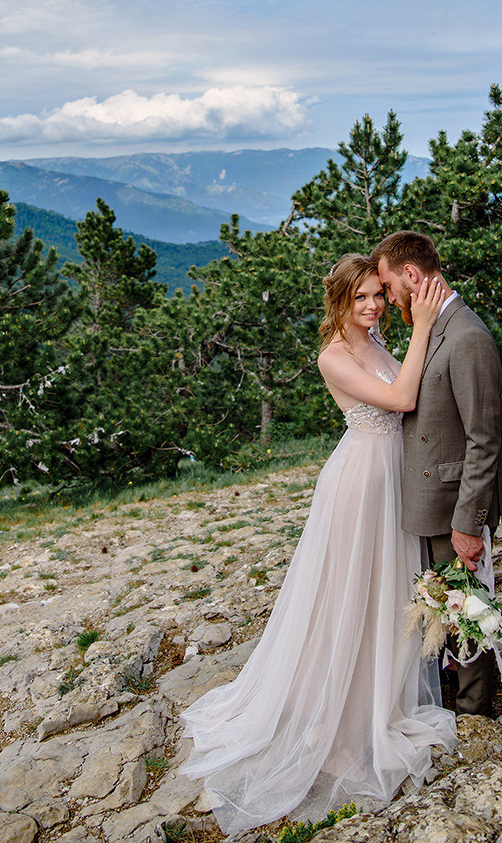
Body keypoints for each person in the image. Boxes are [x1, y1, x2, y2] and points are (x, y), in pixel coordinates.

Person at [180, 254, 456, 834]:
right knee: (350, 594)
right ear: (338, 301)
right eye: (360, 298)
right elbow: (403, 399)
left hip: (394, 478)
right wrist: (425, 324)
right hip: (360, 484)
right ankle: (340, 720)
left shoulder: (377, 341)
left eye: (379, 294)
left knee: (386, 593)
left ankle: (384, 697)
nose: (373, 305)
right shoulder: (334, 356)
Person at [371, 231, 502, 718]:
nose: (388, 298)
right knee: (444, 605)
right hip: (431, 500)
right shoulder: (436, 327)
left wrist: (469, 523)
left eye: (388, 287)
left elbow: (485, 438)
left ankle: (476, 708)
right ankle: (455, 691)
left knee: (465, 606)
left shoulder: (468, 337)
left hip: (455, 505)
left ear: (411, 275)